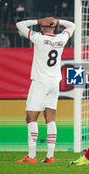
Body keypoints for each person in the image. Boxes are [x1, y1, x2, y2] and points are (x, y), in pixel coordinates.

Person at [15, 17, 75, 163]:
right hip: (55, 83)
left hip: (40, 82)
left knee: (31, 117)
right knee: (50, 118)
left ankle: (31, 156)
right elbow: (72, 25)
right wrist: (58, 20)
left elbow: (19, 24)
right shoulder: (61, 39)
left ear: (42, 28)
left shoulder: (38, 38)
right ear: (54, 27)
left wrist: (37, 20)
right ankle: (49, 156)